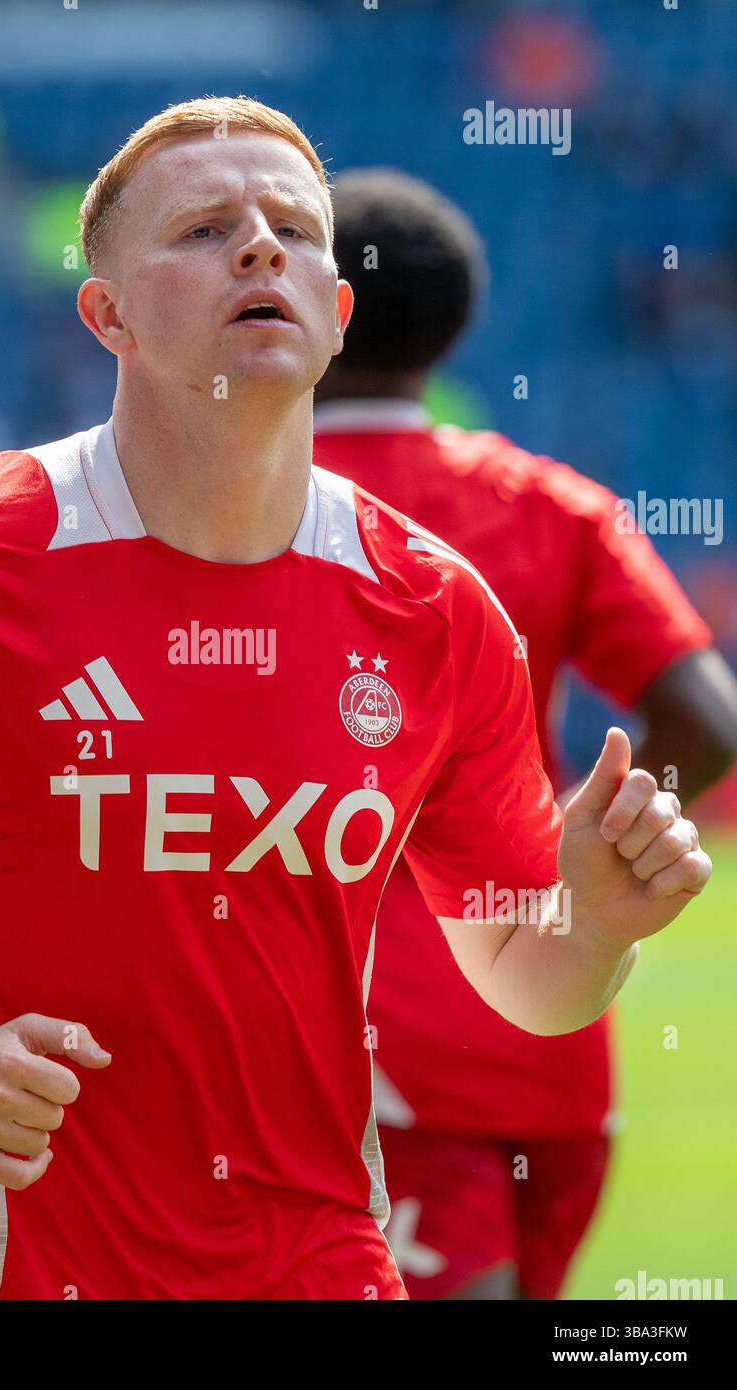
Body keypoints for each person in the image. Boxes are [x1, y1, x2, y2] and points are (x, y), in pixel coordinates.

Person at [0, 100, 713, 1302]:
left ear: (337, 316)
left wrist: (592, 924)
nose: (257, 247)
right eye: (201, 228)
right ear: (105, 313)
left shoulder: (437, 610)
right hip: (21, 1262)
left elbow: (519, 972)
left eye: (292, 227)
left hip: (327, 1257)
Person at [313, 168, 737, 1300]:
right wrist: (560, 854)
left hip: (358, 1029)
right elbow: (705, 718)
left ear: (313, 310)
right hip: (548, 1019)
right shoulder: (548, 503)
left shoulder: (248, 514)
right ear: (458, 326)